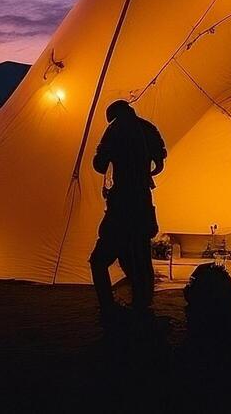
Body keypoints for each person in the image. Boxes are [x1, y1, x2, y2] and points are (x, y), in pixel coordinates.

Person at [90, 99, 167, 324]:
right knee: (139, 257)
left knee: (99, 260)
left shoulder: (114, 130)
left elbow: (99, 164)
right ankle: (142, 307)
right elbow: (160, 162)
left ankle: (108, 307)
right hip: (142, 203)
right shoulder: (148, 128)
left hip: (121, 205)